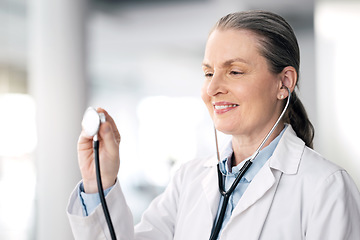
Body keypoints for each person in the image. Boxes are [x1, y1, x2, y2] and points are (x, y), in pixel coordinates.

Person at [67, 10, 360, 239]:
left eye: (234, 71)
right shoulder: (189, 179)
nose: (213, 88)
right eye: (208, 73)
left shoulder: (325, 186)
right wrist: (99, 183)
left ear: (284, 83)